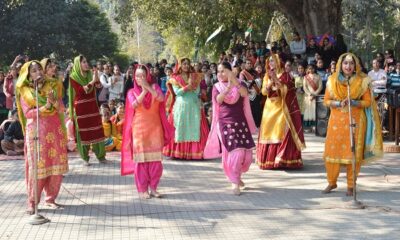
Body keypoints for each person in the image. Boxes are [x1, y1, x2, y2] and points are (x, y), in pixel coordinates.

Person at [322, 53, 383, 196]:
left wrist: (353, 102)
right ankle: (331, 182)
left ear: (355, 65)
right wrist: (338, 103)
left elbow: (368, 102)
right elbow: (326, 100)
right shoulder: (332, 80)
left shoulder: (362, 81)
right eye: (345, 63)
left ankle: (351, 185)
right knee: (332, 152)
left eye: (351, 63)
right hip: (336, 122)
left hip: (355, 121)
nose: (348, 66)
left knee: (353, 153)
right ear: (340, 65)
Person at [15, 61, 68, 214]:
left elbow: (62, 108)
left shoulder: (50, 86)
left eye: (39, 69)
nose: (37, 72)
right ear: (27, 75)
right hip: (36, 132)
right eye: (33, 70)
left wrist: (54, 102)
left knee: (55, 164)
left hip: (54, 129)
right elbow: (28, 114)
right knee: (37, 167)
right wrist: (45, 106)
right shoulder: (25, 91)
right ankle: (32, 202)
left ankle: (51, 198)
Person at [121, 65, 174, 199]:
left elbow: (161, 98)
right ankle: (142, 189)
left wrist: (148, 88)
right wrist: (144, 91)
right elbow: (134, 104)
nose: (140, 78)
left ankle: (154, 187)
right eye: (138, 76)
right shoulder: (131, 92)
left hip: (155, 129)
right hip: (139, 129)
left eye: (143, 76)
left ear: (148, 76)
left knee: (156, 160)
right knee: (141, 161)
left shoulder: (155, 87)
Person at [204, 62, 256, 195]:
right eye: (218, 71)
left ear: (230, 71)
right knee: (237, 152)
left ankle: (237, 176)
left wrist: (235, 83)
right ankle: (235, 182)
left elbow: (244, 93)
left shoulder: (240, 83)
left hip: (240, 122)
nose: (220, 74)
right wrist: (228, 87)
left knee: (247, 155)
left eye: (223, 71)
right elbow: (219, 99)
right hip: (225, 123)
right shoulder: (217, 86)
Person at [256, 55, 305, 170]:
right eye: (269, 61)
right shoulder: (267, 75)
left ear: (279, 61)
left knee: (282, 131)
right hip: (269, 108)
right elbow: (263, 92)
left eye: (273, 61)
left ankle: (283, 159)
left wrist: (276, 80)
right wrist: (269, 83)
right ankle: (269, 160)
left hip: (283, 107)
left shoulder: (286, 75)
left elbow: (287, 91)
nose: (271, 63)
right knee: (269, 131)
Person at [163, 58, 209, 160]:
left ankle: (194, 152)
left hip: (193, 106)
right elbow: (177, 92)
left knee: (194, 127)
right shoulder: (175, 78)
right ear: (180, 66)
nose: (186, 66)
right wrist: (187, 87)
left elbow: (197, 92)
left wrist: (193, 86)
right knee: (181, 127)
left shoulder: (194, 76)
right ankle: (178, 153)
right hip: (181, 106)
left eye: (188, 64)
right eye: (184, 64)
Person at [69, 55, 106, 166]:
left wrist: (96, 78)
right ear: (78, 64)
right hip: (81, 109)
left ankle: (101, 156)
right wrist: (92, 82)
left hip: (92, 106)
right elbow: (80, 91)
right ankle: (85, 158)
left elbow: (99, 87)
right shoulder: (73, 77)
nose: (86, 64)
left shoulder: (90, 73)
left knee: (97, 130)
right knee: (83, 133)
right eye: (83, 62)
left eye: (86, 61)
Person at [239, 59, 262, 127]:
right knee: (250, 110)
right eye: (247, 63)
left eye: (250, 63)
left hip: (255, 93)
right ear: (245, 65)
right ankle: (251, 125)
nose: (249, 64)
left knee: (257, 110)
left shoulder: (255, 72)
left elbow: (259, 80)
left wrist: (253, 82)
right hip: (248, 95)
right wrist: (252, 82)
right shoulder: (242, 73)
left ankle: (258, 124)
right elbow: (242, 83)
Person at [303, 64, 323, 130]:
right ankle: (308, 127)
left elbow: (320, 86)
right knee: (308, 111)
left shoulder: (318, 76)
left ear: (314, 69)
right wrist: (309, 94)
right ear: (307, 69)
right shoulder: (305, 77)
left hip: (316, 96)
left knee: (315, 111)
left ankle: (315, 126)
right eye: (309, 69)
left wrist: (315, 94)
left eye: (312, 68)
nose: (311, 70)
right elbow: (304, 87)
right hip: (308, 96)